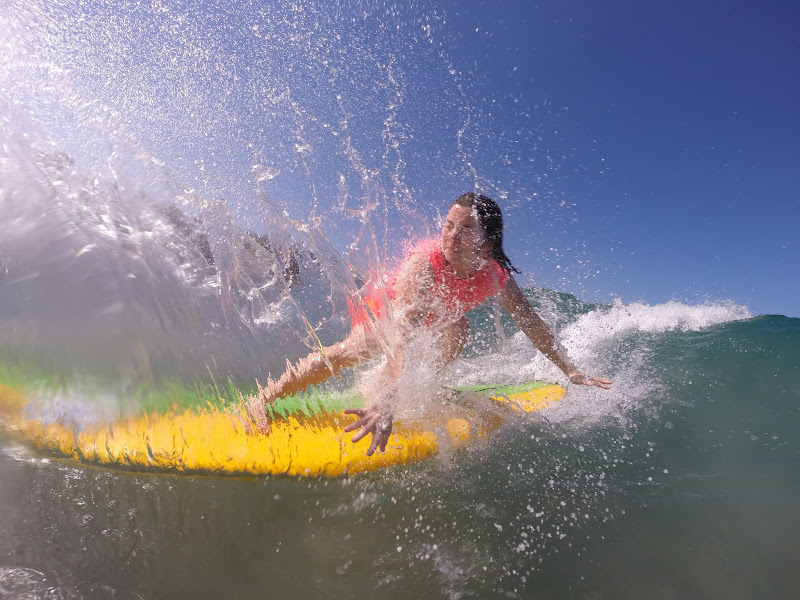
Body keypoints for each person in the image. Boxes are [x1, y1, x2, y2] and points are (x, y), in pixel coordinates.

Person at [249, 193, 611, 454]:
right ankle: (264, 398)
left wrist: (570, 370)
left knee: (461, 328)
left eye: (466, 229)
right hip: (389, 306)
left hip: (441, 315)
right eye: (449, 226)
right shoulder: (423, 265)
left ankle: (421, 389)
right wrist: (385, 404)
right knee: (353, 351)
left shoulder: (496, 274)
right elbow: (402, 336)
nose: (452, 236)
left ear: (487, 242)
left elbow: (531, 322)